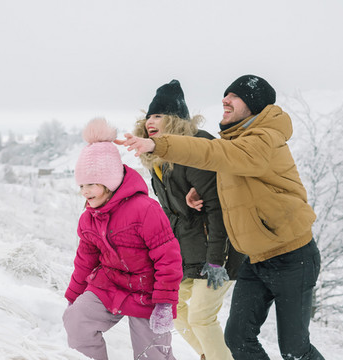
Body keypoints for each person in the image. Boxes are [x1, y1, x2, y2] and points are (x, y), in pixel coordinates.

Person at [116, 75, 325, 360]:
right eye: (225, 95)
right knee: (237, 340)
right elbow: (229, 189)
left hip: (292, 257)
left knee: (295, 348)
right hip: (255, 257)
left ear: (253, 105)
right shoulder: (236, 141)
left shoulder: (264, 140)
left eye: (234, 97)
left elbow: (218, 154)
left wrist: (159, 145)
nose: (224, 100)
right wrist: (189, 200)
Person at [133, 79, 245, 360]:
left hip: (219, 250)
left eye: (158, 115)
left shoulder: (195, 151)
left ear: (175, 120)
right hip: (188, 252)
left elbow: (218, 210)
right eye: (149, 116)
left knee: (201, 318)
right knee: (172, 309)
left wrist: (216, 261)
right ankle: (210, 356)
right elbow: (175, 214)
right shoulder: (159, 161)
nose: (150, 121)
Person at [63, 117, 183, 360]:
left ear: (110, 183)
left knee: (152, 355)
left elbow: (168, 258)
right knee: (76, 323)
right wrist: (73, 298)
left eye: (92, 185)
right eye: (82, 185)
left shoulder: (144, 210)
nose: (85, 192)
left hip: (148, 292)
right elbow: (84, 262)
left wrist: (164, 303)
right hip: (110, 285)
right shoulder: (89, 218)